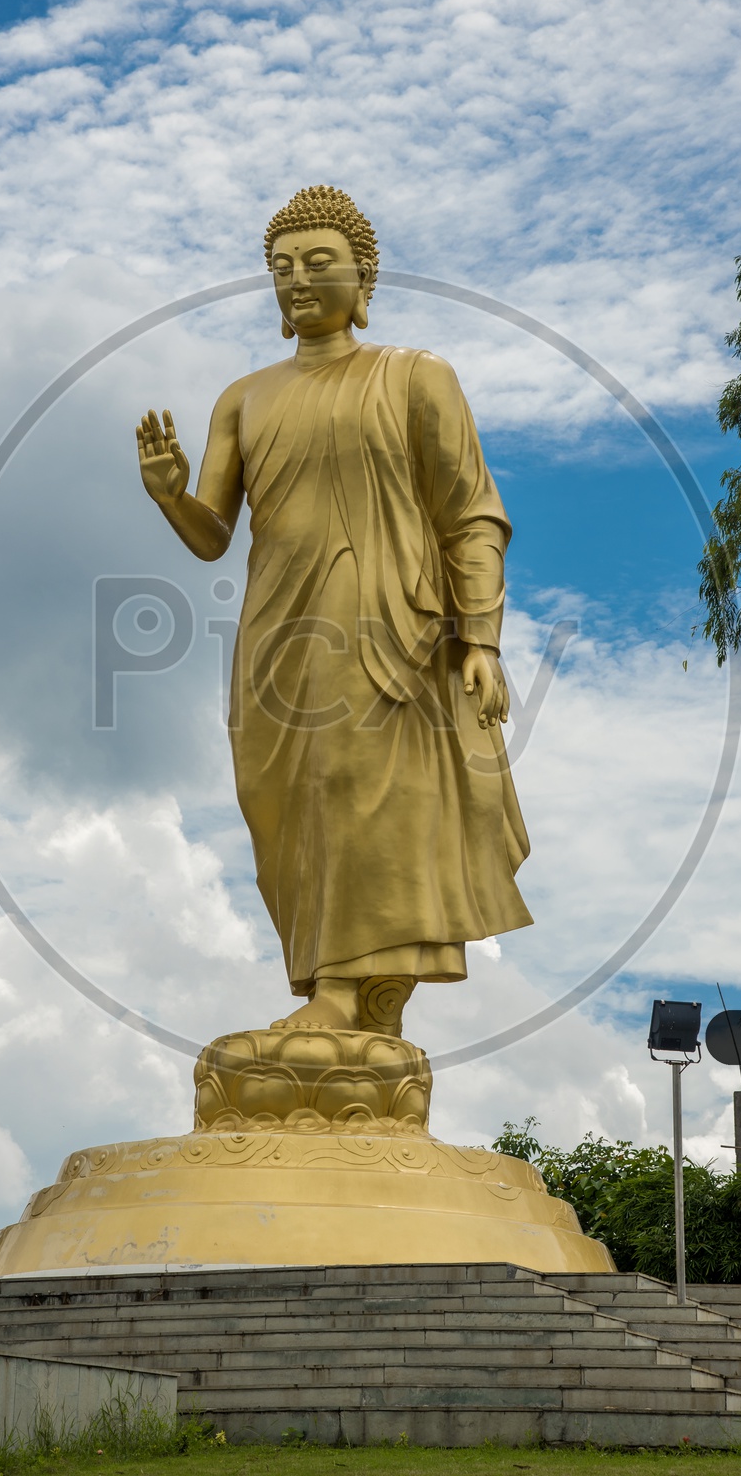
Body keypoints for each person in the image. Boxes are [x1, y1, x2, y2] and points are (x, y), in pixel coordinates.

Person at [137, 185, 531, 1035]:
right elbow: (213, 535)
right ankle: (346, 999)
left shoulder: (416, 378)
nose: (298, 281)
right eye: (281, 268)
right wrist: (172, 497)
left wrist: (480, 640)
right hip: (276, 628)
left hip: (384, 619)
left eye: (320, 263)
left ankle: (349, 994)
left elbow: (472, 514)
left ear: (365, 276)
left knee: (358, 788)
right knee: (276, 800)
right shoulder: (243, 399)